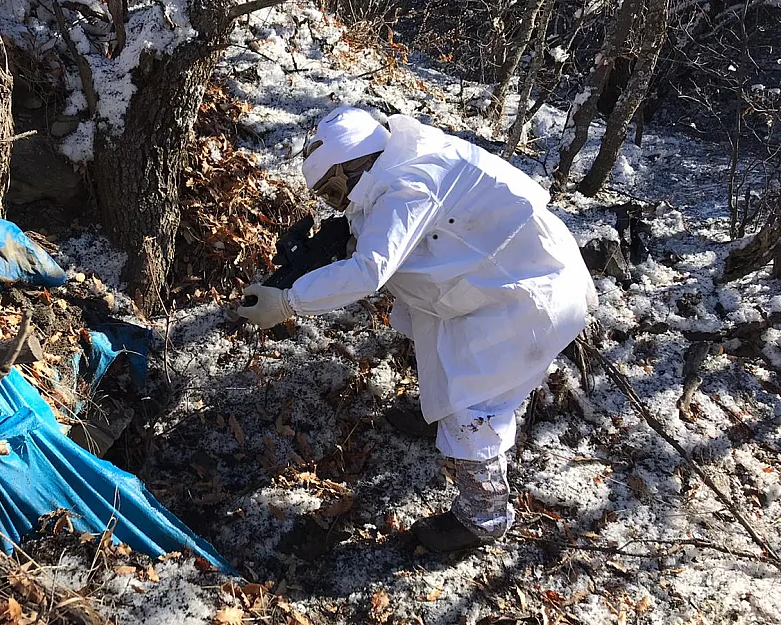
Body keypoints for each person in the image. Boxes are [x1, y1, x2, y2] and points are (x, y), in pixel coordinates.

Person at [238, 106, 597, 553]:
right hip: (490, 279)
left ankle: (483, 517)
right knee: (432, 342)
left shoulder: (410, 184)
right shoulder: (403, 159)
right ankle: (438, 420)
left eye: (334, 188)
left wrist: (289, 302)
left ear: (357, 165)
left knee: (472, 405)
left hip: (527, 298)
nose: (336, 200)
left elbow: (370, 270)